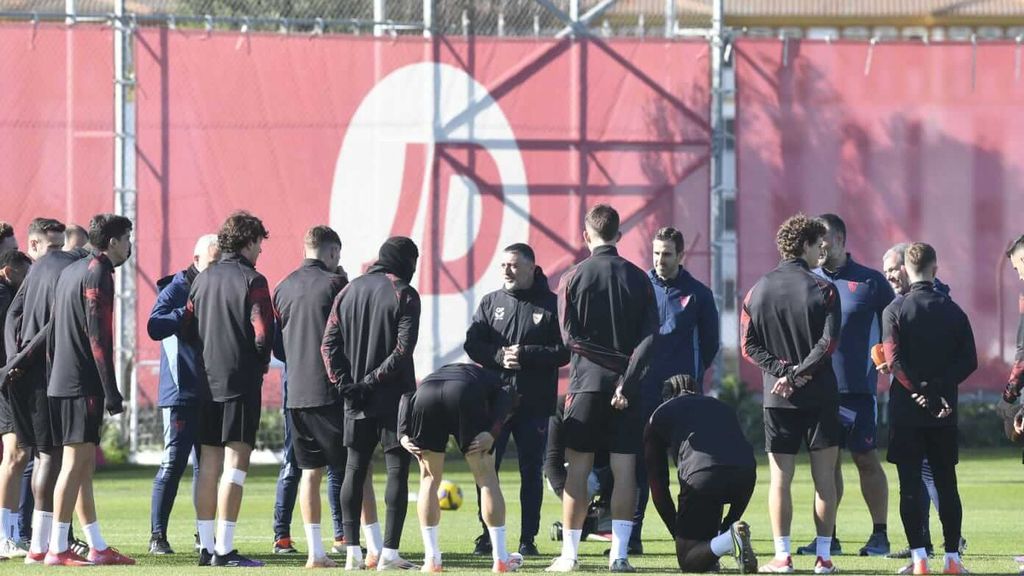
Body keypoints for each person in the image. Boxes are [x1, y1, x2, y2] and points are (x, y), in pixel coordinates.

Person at [548, 204, 658, 573]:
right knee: (625, 471)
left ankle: (569, 556)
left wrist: (610, 364)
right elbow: (650, 337)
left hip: (586, 386)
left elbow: (569, 339)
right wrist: (625, 375)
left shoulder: (572, 277)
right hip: (628, 388)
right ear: (619, 235)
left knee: (577, 470)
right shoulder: (640, 278)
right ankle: (619, 556)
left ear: (585, 235)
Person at [740, 213, 841, 574]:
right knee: (824, 479)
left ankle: (782, 556)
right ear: (805, 245)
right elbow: (828, 344)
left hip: (777, 397)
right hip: (820, 394)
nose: (821, 253)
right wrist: (797, 373)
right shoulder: (825, 289)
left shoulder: (757, 290)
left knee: (780, 479)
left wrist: (783, 373)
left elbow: (748, 347)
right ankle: (823, 557)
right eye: (818, 246)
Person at [794, 214, 894, 558]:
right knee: (825, 465)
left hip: (858, 391)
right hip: (818, 390)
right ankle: (828, 538)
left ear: (839, 239)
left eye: (822, 239)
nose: (818, 246)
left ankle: (880, 536)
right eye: (813, 241)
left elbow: (894, 328)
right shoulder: (807, 280)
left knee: (865, 459)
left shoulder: (871, 282)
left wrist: (890, 360)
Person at [322, 236, 421, 571]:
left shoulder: (347, 291)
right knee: (397, 471)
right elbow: (403, 350)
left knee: (354, 468)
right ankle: (389, 554)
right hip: (394, 398)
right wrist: (370, 382)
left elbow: (328, 345)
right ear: (406, 261)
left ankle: (352, 551)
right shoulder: (404, 293)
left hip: (356, 398)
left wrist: (344, 384)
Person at [465, 242, 568, 557]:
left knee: (531, 470)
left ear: (531, 268)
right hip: (494, 403)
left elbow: (564, 351)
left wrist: (526, 354)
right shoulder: (491, 302)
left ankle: (527, 539)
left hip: (533, 404)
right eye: (503, 265)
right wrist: (499, 356)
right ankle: (487, 535)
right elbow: (472, 344)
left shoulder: (551, 304)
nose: (507, 271)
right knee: (487, 467)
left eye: (513, 265)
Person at [881, 242, 976, 575]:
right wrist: (937, 389)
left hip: (907, 411)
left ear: (906, 270)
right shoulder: (953, 310)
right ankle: (952, 560)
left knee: (909, 485)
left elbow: (894, 361)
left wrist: (919, 391)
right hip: (943, 410)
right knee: (947, 484)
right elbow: (969, 361)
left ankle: (920, 559)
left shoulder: (895, 310)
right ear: (935, 269)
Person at [45, 213, 135, 566]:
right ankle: (57, 547)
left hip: (63, 380)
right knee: (73, 465)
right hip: (81, 383)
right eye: (127, 239)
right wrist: (111, 389)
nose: (129, 245)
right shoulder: (98, 272)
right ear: (112, 242)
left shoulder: (72, 270)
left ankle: (96, 545)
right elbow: (99, 337)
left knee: (83, 466)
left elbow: (54, 332)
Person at [187, 211, 273, 567]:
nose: (260, 251)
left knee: (208, 465)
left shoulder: (202, 279)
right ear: (249, 242)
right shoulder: (253, 280)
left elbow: (188, 327)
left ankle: (206, 547)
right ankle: (224, 549)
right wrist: (261, 363)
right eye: (259, 243)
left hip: (206, 383)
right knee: (235, 466)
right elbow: (263, 334)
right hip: (240, 383)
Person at [3, 217, 89, 564]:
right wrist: (18, 359)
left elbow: (14, 316)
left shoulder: (36, 272)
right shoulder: (55, 273)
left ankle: (43, 540)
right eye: (54, 247)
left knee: (38, 457)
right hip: (41, 375)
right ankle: (39, 544)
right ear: (36, 245)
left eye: (61, 247)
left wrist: (14, 359)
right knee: (45, 456)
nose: (60, 253)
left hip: (23, 374)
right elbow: (53, 325)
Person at [634, 226, 720, 553]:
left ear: (681, 255)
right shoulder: (639, 288)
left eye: (667, 254)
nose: (660, 260)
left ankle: (690, 533)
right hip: (644, 393)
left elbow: (710, 344)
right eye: (656, 253)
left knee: (689, 469)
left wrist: (689, 377)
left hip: (684, 397)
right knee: (643, 468)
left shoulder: (698, 294)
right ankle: (633, 535)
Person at [271, 225, 351, 568]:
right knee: (348, 469)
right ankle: (353, 544)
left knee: (309, 473)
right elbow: (348, 337)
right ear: (332, 252)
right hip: (331, 390)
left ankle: (315, 552)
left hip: (296, 393)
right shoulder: (337, 285)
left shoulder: (282, 287)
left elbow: (277, 346)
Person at [398, 363, 523, 573]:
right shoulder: (500, 385)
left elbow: (406, 396)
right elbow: (506, 394)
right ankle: (501, 559)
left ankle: (432, 560)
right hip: (463, 391)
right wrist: (493, 432)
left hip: (426, 393)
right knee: (487, 479)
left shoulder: (459, 373)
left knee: (428, 479)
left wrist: (402, 433)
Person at [146, 233, 220, 554]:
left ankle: (204, 535)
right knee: (174, 462)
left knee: (208, 466)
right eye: (213, 263)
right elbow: (154, 325)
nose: (217, 269)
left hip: (211, 391)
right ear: (196, 260)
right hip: (180, 392)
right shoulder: (177, 287)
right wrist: (185, 312)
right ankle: (157, 536)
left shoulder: (217, 287)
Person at [644, 374, 757, 573]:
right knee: (710, 541)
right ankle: (725, 542)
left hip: (702, 477)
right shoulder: (721, 406)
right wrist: (730, 522)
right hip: (746, 474)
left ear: (666, 397)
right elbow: (736, 453)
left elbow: (658, 486)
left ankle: (728, 540)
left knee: (689, 561)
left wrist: (678, 533)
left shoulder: (659, 415)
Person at [0, 250, 31, 556]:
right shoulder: (3, 295)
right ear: (8, 272)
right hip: (5, 383)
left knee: (20, 455)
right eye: (25, 276)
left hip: (10, 382)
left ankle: (9, 534)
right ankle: (4, 535)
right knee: (15, 455)